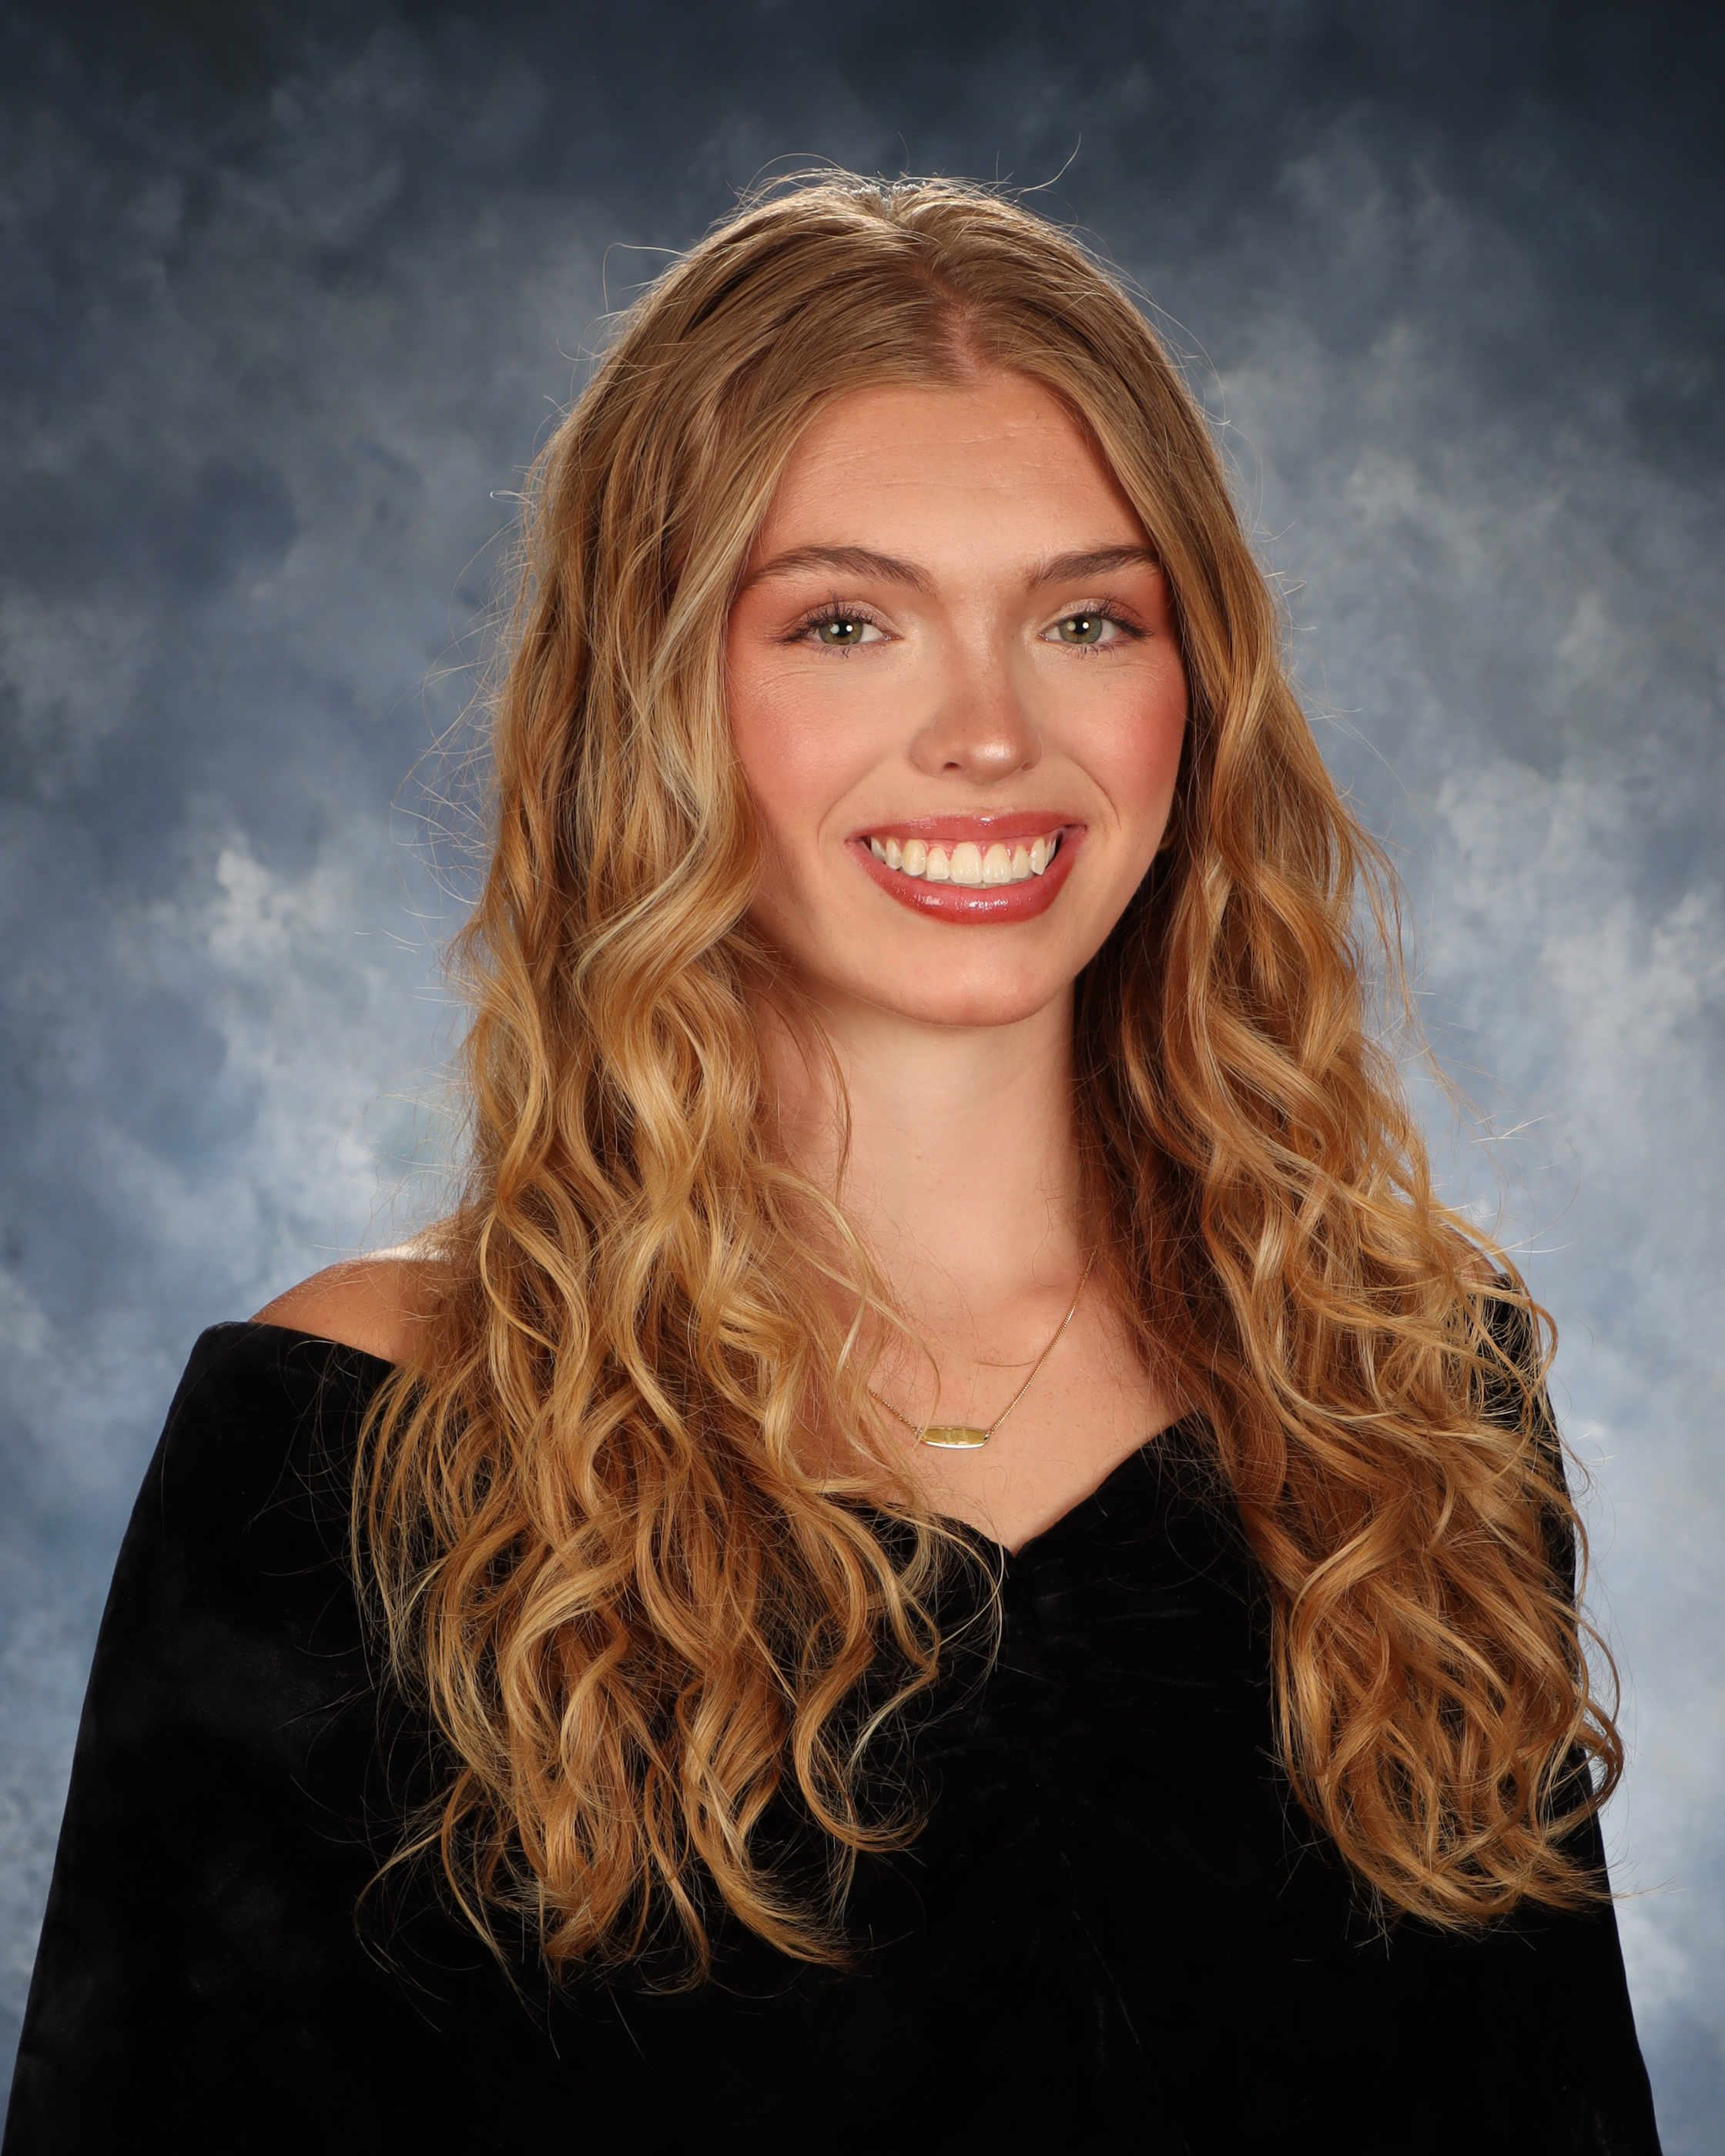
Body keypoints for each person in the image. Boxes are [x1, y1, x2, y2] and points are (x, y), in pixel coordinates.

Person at [4, 176, 1660, 2154]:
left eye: (1084, 617)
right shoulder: (353, 1438)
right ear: (657, 698)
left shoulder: (1407, 1396)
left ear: (1196, 687)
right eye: (847, 623)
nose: (988, 734)